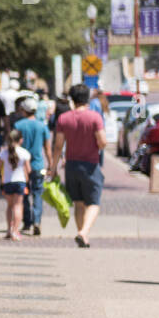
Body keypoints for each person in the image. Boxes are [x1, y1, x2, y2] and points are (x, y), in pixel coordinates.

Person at [49, 82, 106, 248]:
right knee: (94, 203)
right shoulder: (94, 117)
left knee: (79, 203)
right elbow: (102, 142)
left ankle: (83, 235)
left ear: (72, 100)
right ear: (87, 98)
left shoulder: (63, 118)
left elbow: (58, 145)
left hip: (71, 165)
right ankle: (83, 232)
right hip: (90, 165)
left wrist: (53, 168)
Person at [13, 96, 50, 235]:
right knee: (37, 194)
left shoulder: (18, 125)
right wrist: (51, 164)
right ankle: (37, 221)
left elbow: (12, 143)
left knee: (24, 194)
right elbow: (47, 148)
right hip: (38, 165)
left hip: (22, 166)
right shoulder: (42, 125)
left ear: (24, 110)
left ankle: (27, 222)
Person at [0, 127, 30, 240]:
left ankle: (8, 229)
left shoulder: (4, 152)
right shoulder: (24, 153)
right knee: (18, 206)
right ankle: (15, 231)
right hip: (20, 181)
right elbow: (28, 170)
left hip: (7, 181)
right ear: (20, 140)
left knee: (10, 206)